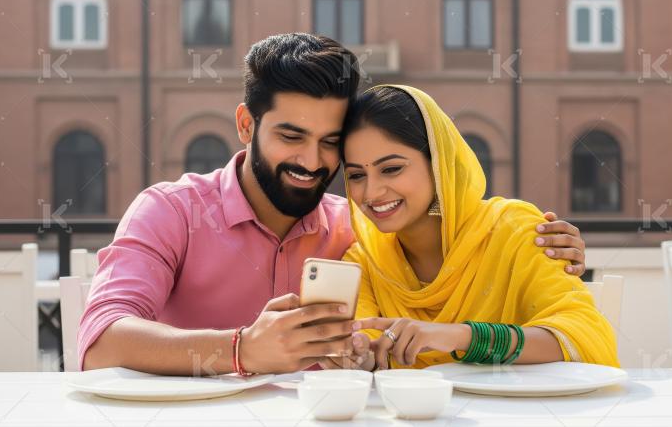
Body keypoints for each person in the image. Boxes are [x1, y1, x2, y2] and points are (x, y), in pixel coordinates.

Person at [79, 33, 589, 376]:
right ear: (246, 126)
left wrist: (551, 245)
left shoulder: (361, 229)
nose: (310, 160)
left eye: (330, 142)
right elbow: (101, 343)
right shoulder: (172, 212)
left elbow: (449, 265)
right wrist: (240, 350)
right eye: (291, 135)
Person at [325, 85, 617, 371]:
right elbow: (367, 342)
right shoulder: (364, 260)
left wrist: (459, 336)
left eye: (391, 169)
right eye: (356, 175)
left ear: (438, 163)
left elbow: (581, 338)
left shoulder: (516, 230)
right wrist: (355, 356)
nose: (372, 192)